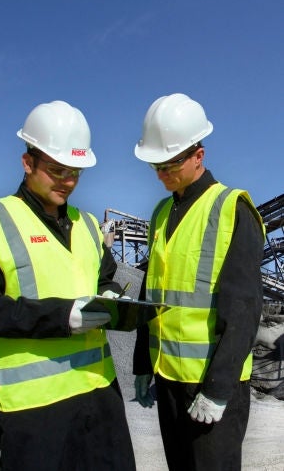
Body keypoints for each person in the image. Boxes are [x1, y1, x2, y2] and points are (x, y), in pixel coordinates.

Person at [0, 100, 136, 470]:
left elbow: (103, 277)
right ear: (28, 162)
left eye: (75, 173)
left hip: (99, 396)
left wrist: (112, 297)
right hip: (32, 411)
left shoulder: (86, 225)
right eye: (57, 170)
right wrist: (61, 316)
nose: (67, 181)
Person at [132, 93, 265, 471]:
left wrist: (219, 389)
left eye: (168, 164)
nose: (160, 174)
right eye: (155, 165)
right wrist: (143, 363)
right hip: (169, 379)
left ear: (198, 156)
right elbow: (150, 293)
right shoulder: (161, 213)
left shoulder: (232, 208)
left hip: (210, 386)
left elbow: (244, 308)